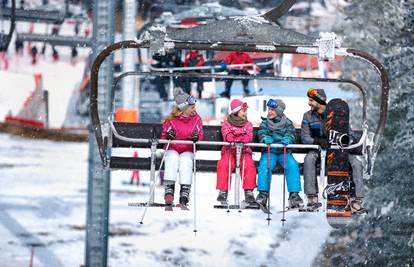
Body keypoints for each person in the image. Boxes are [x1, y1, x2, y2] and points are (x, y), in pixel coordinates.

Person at [301, 88, 365, 213]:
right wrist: (317, 141)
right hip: (319, 150)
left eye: (311, 100)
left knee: (357, 164)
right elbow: (304, 137)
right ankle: (312, 197)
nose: (309, 103)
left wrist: (346, 141)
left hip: (338, 151)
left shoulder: (337, 115)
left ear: (320, 101)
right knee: (309, 159)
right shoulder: (308, 116)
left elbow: (350, 134)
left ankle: (356, 199)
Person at [256, 99, 303, 209]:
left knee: (292, 165)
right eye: (269, 109)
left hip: (284, 152)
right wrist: (264, 139)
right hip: (270, 151)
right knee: (265, 165)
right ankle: (263, 194)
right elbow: (261, 133)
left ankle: (294, 195)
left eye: (272, 110)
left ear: (279, 111)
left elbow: (291, 134)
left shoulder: (287, 124)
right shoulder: (265, 123)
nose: (269, 112)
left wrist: (288, 139)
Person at [161, 87, 203, 206]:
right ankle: (169, 188)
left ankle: (185, 190)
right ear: (183, 109)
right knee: (172, 159)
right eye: (192, 107)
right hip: (173, 148)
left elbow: (200, 134)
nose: (195, 109)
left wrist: (196, 138)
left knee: (186, 161)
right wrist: (169, 135)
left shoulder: (196, 119)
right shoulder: (172, 119)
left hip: (187, 149)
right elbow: (164, 136)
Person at [216, 99, 257, 205]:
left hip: (244, 151)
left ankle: (248, 191)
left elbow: (248, 137)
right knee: (225, 164)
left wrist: (237, 137)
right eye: (244, 111)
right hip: (229, 151)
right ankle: (223, 190)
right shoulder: (227, 124)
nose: (246, 113)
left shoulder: (248, 124)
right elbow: (227, 136)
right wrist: (238, 137)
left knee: (248, 165)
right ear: (236, 112)